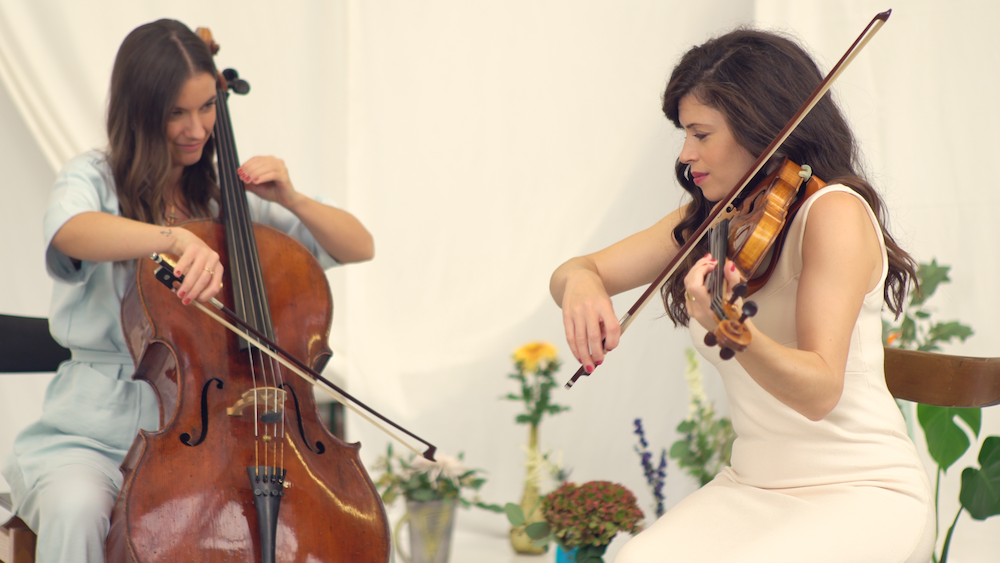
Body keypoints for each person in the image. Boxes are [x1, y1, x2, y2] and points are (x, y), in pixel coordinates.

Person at [550, 29, 934, 562]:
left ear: (762, 128)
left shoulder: (832, 214)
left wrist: (735, 329)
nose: (686, 156)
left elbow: (820, 391)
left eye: (701, 134)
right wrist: (584, 285)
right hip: (753, 487)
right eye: (685, 135)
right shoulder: (719, 216)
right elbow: (575, 270)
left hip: (861, 489)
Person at [0, 19, 373, 563]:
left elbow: (358, 244)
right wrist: (171, 238)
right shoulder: (96, 178)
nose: (196, 128)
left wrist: (293, 199)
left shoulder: (226, 200)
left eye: (206, 107)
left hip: (211, 442)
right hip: (94, 438)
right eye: (176, 112)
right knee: (77, 511)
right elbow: (70, 229)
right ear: (141, 112)